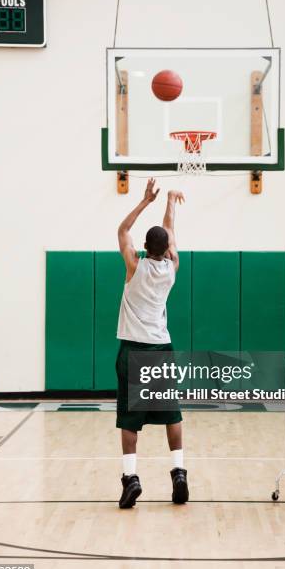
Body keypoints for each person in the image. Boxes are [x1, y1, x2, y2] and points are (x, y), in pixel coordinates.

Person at [116, 178, 188, 509]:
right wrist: (171, 200)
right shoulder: (171, 270)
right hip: (162, 350)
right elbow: (169, 233)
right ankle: (179, 472)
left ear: (145, 247)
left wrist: (146, 200)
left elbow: (122, 230)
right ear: (167, 250)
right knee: (171, 414)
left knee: (131, 419)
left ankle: (131, 479)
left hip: (134, 349)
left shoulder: (134, 265)